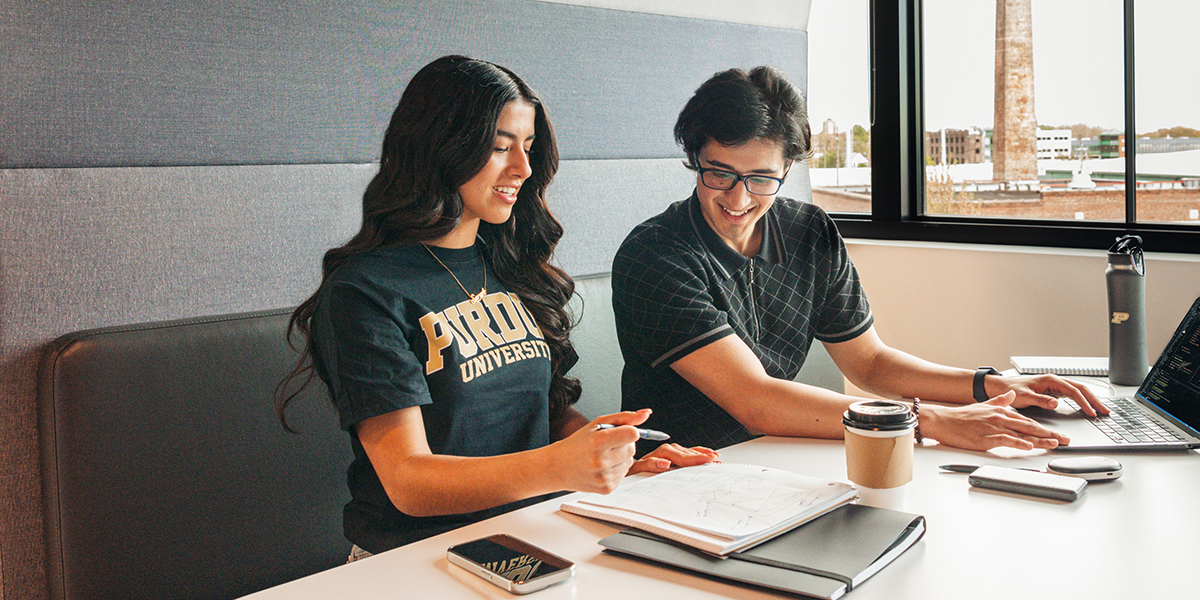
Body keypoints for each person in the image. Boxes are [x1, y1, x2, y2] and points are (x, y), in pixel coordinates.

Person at [275, 55, 717, 557]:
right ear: (440, 148)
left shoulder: (511, 265)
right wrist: (561, 466)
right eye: (499, 147)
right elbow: (408, 480)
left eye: (528, 148)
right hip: (414, 558)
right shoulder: (365, 291)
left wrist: (616, 449)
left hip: (531, 536)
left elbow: (545, 417)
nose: (523, 169)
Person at [611, 65, 1108, 453]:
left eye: (761, 179)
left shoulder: (808, 230)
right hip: (679, 473)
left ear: (788, 166)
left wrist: (991, 386)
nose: (738, 199)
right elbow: (756, 401)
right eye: (718, 173)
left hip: (787, 454)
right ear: (695, 158)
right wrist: (931, 420)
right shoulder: (655, 254)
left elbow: (869, 362)